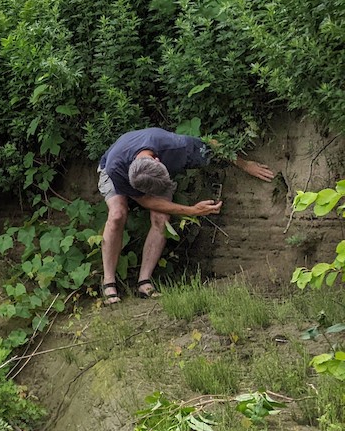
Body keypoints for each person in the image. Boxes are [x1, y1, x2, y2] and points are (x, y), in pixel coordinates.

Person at [98, 127, 275, 304]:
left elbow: (212, 145)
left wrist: (245, 165)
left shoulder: (177, 147)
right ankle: (109, 282)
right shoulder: (116, 166)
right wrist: (193, 211)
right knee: (117, 215)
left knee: (161, 218)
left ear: (158, 160)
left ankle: (144, 282)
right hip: (116, 172)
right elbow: (145, 201)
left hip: (153, 174)